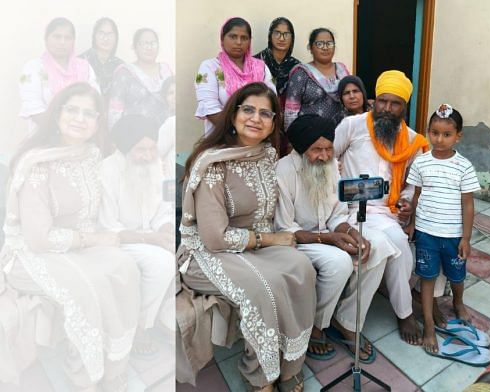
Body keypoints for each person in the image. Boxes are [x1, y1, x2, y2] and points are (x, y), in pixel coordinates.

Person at [1, 83, 140, 391]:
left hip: (78, 245)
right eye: (72, 110)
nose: (80, 118)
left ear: (98, 122)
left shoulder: (91, 154)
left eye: (89, 113)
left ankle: (114, 369)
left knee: (125, 268)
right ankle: (83, 379)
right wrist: (93, 240)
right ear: (57, 113)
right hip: (31, 253)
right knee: (86, 290)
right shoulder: (36, 162)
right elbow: (37, 239)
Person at [177, 82, 314, 392]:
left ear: (274, 122)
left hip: (254, 246)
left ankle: (290, 362)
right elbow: (214, 238)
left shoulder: (266, 155)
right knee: (261, 288)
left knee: (301, 268)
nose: (256, 118)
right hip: (207, 254)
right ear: (233, 114)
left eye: (265, 113)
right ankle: (260, 375)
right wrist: (273, 240)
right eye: (248, 110)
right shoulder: (212, 162)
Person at [275, 114, 399, 362]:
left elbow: (337, 213)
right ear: (300, 149)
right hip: (299, 240)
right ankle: (315, 327)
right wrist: (331, 238)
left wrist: (352, 233)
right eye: (316, 150)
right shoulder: (283, 171)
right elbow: (285, 227)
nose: (323, 156)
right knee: (338, 263)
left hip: (328, 234)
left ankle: (348, 321)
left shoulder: (330, 165)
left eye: (328, 149)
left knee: (378, 246)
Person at [334, 70, 429, 345]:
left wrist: (408, 202)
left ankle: (403, 309)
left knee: (399, 248)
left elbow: (413, 181)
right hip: (349, 209)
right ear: (374, 101)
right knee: (399, 245)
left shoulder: (412, 140)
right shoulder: (352, 126)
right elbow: (328, 160)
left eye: (395, 103)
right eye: (383, 101)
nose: (387, 109)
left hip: (387, 212)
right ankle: (405, 312)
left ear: (404, 107)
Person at [404, 103, 485, 354]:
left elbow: (468, 204)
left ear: (458, 136)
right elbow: (416, 196)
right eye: (434, 132)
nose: (439, 139)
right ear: (428, 132)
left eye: (447, 134)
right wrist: (413, 223)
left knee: (456, 276)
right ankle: (428, 325)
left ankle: (459, 302)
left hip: (453, 236)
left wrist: (466, 238)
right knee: (427, 278)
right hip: (427, 233)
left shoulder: (464, 166)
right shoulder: (421, 163)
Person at [99, 114, 176, 350]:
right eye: (141, 150)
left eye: (152, 148)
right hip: (120, 240)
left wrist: (167, 233)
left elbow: (165, 210)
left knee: (186, 247)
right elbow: (108, 226)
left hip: (152, 234)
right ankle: (139, 326)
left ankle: (166, 318)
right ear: (124, 148)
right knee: (163, 263)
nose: (148, 156)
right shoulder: (107, 171)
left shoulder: (157, 167)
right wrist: (154, 239)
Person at [195, 17, 276, 135]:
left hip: (257, 138)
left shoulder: (261, 67)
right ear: (222, 39)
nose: (238, 42)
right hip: (222, 140)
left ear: (249, 41)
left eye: (244, 38)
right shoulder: (209, 67)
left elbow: (272, 101)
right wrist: (239, 133)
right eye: (233, 37)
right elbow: (209, 108)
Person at [19, 17, 99, 121]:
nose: (62, 42)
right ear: (46, 39)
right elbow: (32, 107)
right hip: (45, 133)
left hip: (80, 131)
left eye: (67, 38)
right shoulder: (33, 68)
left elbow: (96, 100)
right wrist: (60, 131)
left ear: (73, 41)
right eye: (57, 37)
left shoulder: (85, 67)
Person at [284, 28, 350, 131]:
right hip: (309, 137)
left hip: (340, 135)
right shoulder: (301, 73)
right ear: (310, 47)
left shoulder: (342, 71)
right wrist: (293, 140)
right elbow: (291, 112)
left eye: (329, 43)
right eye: (319, 44)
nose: (325, 47)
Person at [108, 27, 173, 129]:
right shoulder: (124, 73)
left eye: (153, 43)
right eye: (144, 44)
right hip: (135, 135)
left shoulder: (166, 70)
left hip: (166, 132)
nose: (149, 47)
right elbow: (114, 111)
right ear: (135, 47)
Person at [254, 17, 301, 105]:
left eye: (286, 34)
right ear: (270, 36)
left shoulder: (297, 67)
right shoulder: (256, 62)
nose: (282, 38)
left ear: (292, 38)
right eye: (277, 33)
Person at [79, 17, 125, 93]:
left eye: (110, 34)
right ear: (94, 36)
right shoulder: (81, 62)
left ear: (116, 38)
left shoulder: (120, 66)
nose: (106, 38)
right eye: (101, 33)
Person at [158, 76, 176, 179]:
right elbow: (156, 155)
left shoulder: (172, 122)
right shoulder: (169, 122)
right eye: (170, 93)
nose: (175, 96)